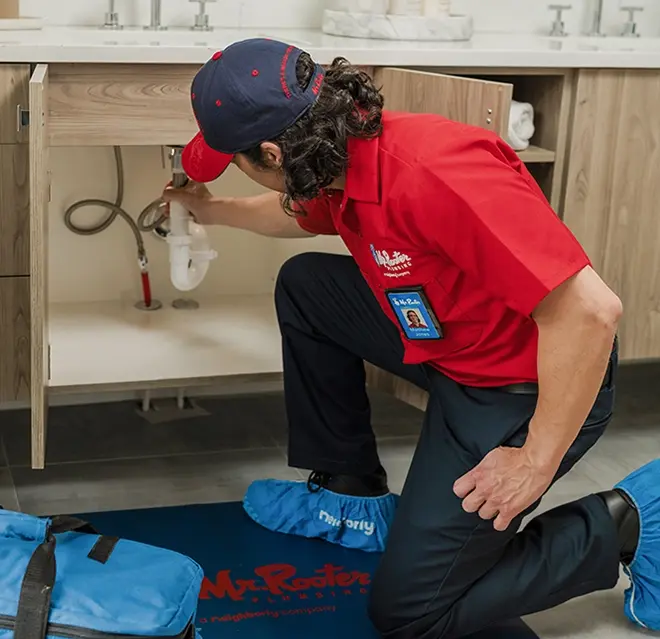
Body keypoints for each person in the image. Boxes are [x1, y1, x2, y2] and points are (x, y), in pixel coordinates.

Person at [163, 38, 660, 639]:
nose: (235, 167)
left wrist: (534, 459)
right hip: (448, 341)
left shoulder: (438, 173)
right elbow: (296, 213)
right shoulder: (335, 151)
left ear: (271, 152)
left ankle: (634, 519)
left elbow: (592, 313)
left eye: (233, 158)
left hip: (519, 385)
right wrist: (209, 210)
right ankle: (352, 492)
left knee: (413, 615)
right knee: (309, 285)